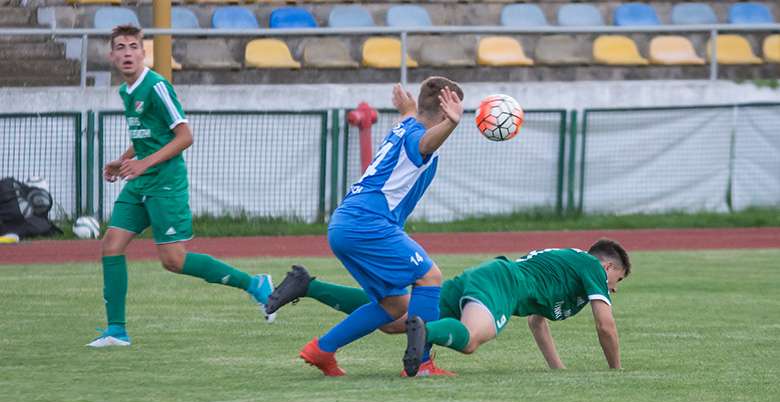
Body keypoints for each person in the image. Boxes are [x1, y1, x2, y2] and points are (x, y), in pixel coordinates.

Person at [86, 24, 275, 348]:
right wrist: (124, 160)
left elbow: (184, 136)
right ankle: (117, 331)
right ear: (112, 55)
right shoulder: (126, 92)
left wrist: (144, 163)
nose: (127, 52)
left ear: (143, 53)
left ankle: (255, 284)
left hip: (165, 184)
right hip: (141, 181)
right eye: (120, 47)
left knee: (173, 260)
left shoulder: (157, 86)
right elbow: (147, 136)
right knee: (111, 245)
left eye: (133, 46)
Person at [294, 77, 464, 376]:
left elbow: (413, 119)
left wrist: (408, 108)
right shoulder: (421, 135)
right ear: (443, 110)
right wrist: (451, 123)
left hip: (345, 222)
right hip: (368, 223)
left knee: (396, 304)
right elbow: (424, 143)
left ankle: (322, 349)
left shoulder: (405, 124)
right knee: (430, 277)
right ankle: (421, 365)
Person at [266, 239, 631, 375]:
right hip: (502, 283)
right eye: (618, 280)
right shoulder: (590, 266)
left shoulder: (567, 267)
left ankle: (308, 285)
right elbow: (605, 327)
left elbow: (537, 322)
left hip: (487, 275)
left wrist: (559, 370)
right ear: (608, 267)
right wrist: (615, 371)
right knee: (471, 340)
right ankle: (426, 332)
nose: (613, 289)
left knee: (394, 317)